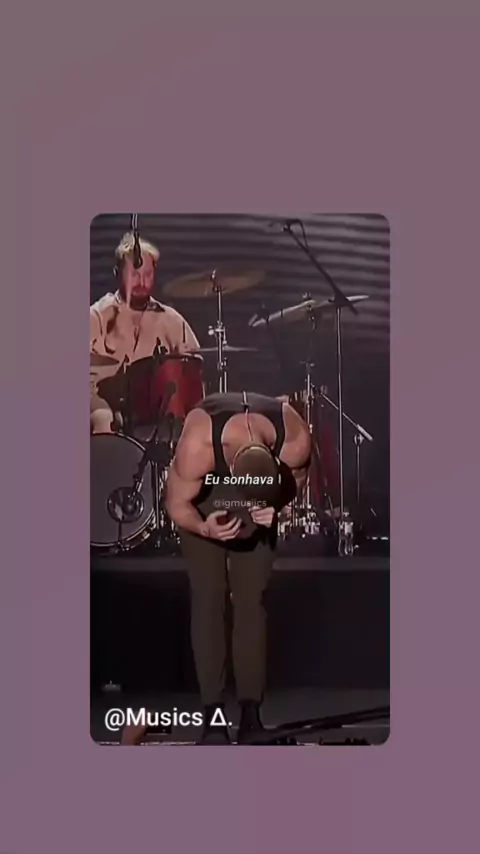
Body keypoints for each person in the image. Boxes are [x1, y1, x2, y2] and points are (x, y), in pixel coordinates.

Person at [164, 391, 311, 744]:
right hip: (205, 498)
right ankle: (213, 717)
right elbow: (176, 503)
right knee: (209, 598)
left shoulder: (293, 438)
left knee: (250, 602)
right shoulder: (198, 445)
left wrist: (277, 507)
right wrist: (203, 528)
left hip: (262, 499)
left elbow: (297, 480)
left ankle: (250, 715)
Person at [90, 232, 200, 434]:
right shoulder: (96, 316)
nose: (141, 282)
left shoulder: (171, 320)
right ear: (117, 273)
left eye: (148, 275)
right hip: (103, 400)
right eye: (134, 275)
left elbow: (193, 367)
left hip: (154, 404)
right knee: (104, 419)